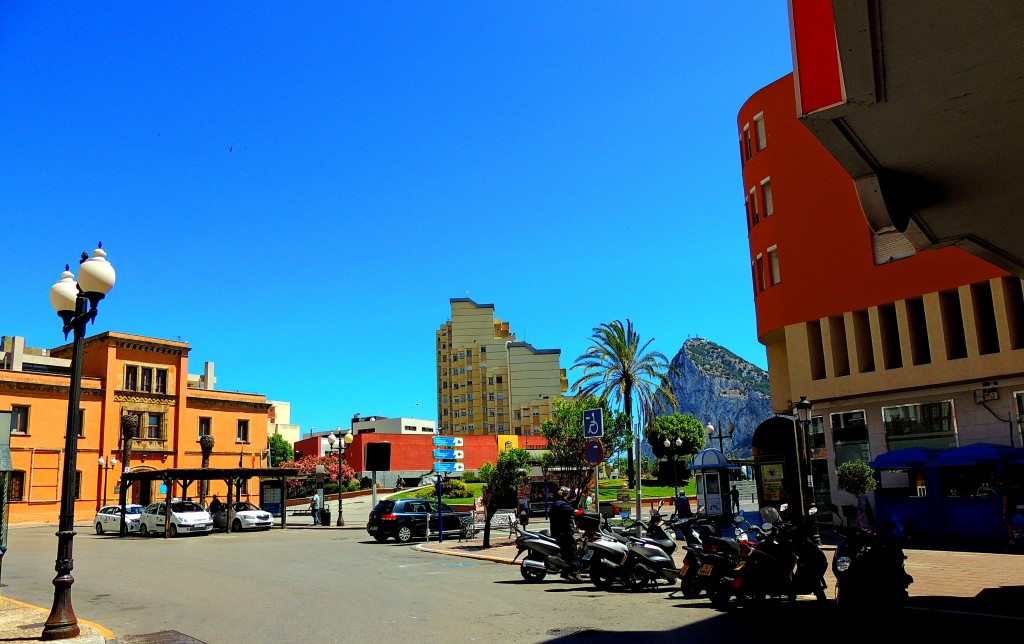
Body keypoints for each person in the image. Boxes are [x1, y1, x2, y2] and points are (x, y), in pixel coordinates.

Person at [551, 486, 583, 582]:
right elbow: (574, 512)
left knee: (567, 552)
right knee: (573, 551)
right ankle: (574, 571)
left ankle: (565, 571)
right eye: (566, 495)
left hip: (559, 532)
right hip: (563, 533)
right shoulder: (561, 504)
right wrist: (584, 513)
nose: (568, 496)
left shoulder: (557, 503)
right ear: (562, 494)